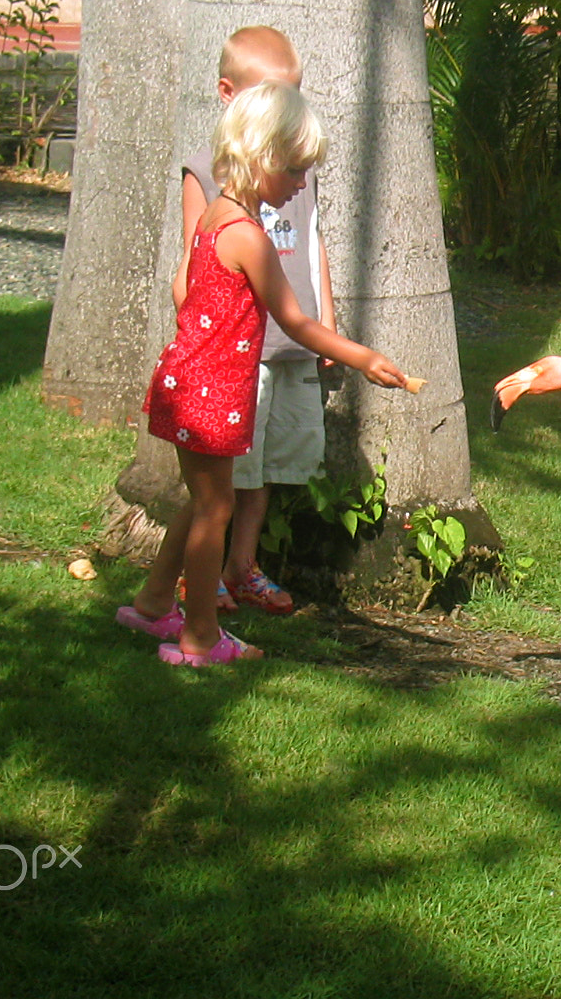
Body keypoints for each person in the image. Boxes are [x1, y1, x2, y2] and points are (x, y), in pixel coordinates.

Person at [117, 82, 407, 665]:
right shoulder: (248, 235)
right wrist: (362, 356)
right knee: (215, 509)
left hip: (184, 382)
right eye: (296, 170)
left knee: (199, 500)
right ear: (262, 159)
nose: (302, 183)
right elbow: (296, 321)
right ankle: (200, 637)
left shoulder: (216, 216)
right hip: (212, 390)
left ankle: (153, 603)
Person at [175, 26, 331, 615]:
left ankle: (242, 566)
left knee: (266, 467)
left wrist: (328, 327)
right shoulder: (213, 184)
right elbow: (194, 267)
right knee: (224, 481)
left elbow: (316, 251)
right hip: (237, 355)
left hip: (290, 343)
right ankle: (203, 582)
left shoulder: (295, 170)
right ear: (229, 95)